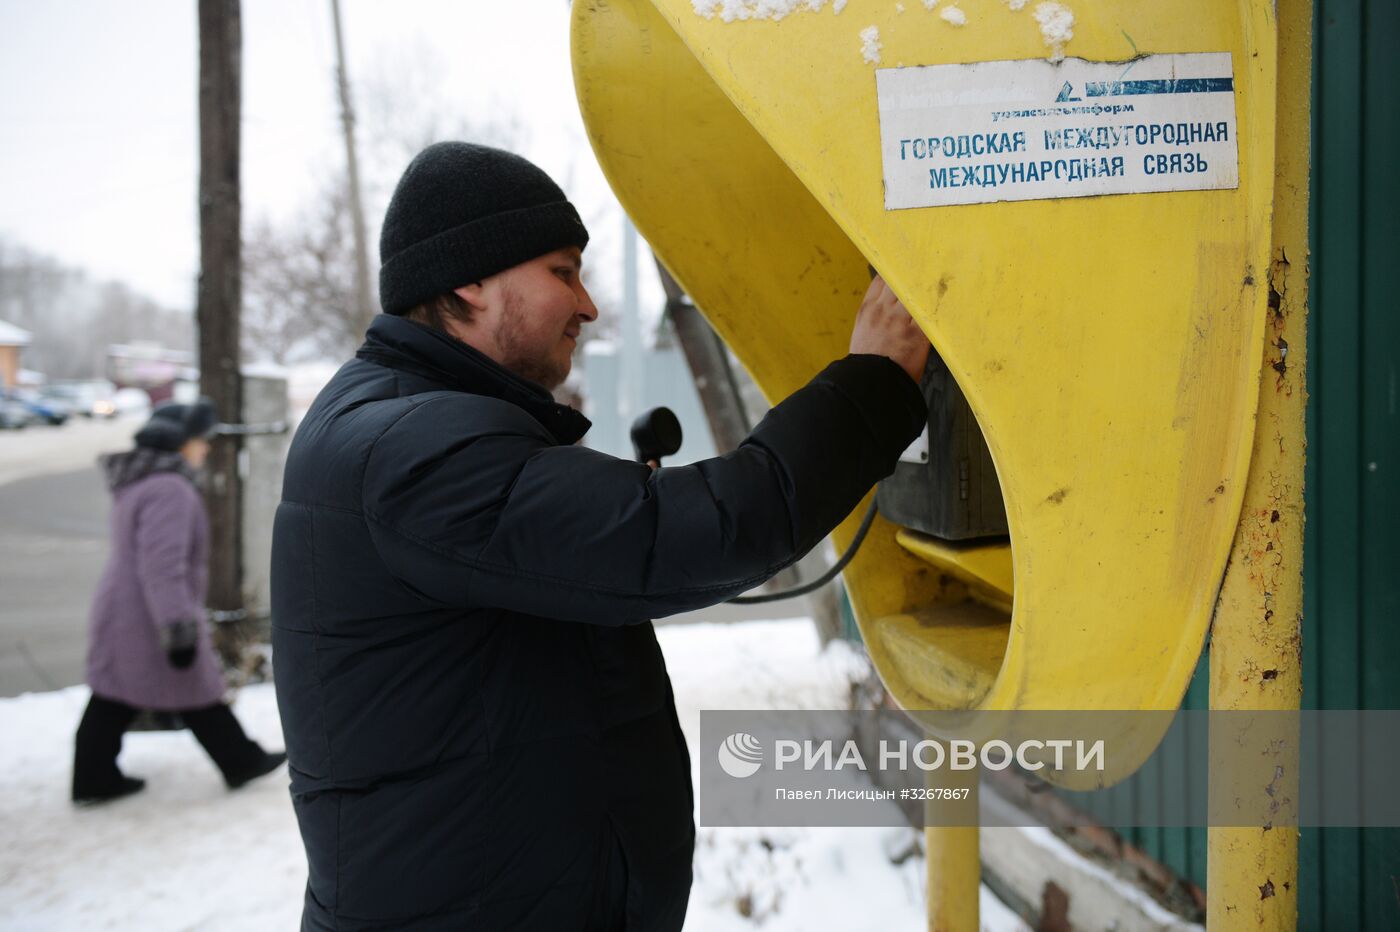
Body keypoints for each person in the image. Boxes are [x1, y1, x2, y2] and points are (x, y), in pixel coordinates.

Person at [272, 141, 931, 931]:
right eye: (562, 271)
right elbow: (691, 534)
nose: (586, 304)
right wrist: (876, 384)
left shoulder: (404, 420)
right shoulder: (419, 451)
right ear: (468, 282)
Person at [72, 399, 286, 805]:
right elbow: (163, 565)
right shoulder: (170, 489)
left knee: (115, 692)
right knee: (191, 687)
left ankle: (94, 776)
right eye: (200, 439)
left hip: (128, 606)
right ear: (180, 442)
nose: (205, 447)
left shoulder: (141, 480)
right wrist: (178, 627)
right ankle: (240, 760)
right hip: (150, 612)